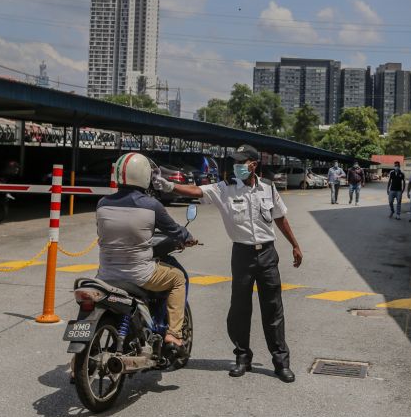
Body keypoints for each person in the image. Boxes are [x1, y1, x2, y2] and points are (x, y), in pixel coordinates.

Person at [154, 144, 302, 383]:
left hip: (267, 254)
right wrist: (169, 186)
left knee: (273, 309)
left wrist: (295, 245)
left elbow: (280, 218)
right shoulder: (225, 189)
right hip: (242, 254)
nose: (236, 166)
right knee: (240, 309)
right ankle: (243, 357)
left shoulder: (268, 188)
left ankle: (280, 362)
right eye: (235, 162)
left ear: (253, 165)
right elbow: (196, 191)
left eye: (241, 162)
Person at [95, 152, 196, 348]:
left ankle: (76, 365)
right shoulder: (151, 205)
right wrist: (188, 237)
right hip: (140, 274)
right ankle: (174, 334)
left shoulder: (102, 204)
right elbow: (175, 230)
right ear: (145, 176)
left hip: (105, 274)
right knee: (178, 279)